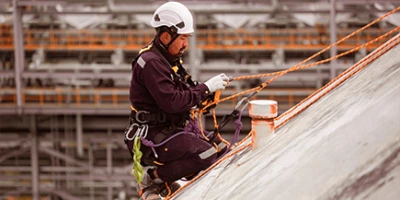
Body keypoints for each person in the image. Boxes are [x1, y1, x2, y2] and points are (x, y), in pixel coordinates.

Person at [124, 2, 229, 200]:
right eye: (182, 38)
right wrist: (206, 88)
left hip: (170, 129)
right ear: (166, 36)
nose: (186, 44)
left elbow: (183, 90)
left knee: (221, 148)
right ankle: (152, 179)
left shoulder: (166, 60)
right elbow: (172, 102)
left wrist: (203, 95)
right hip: (153, 136)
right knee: (205, 153)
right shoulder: (151, 63)